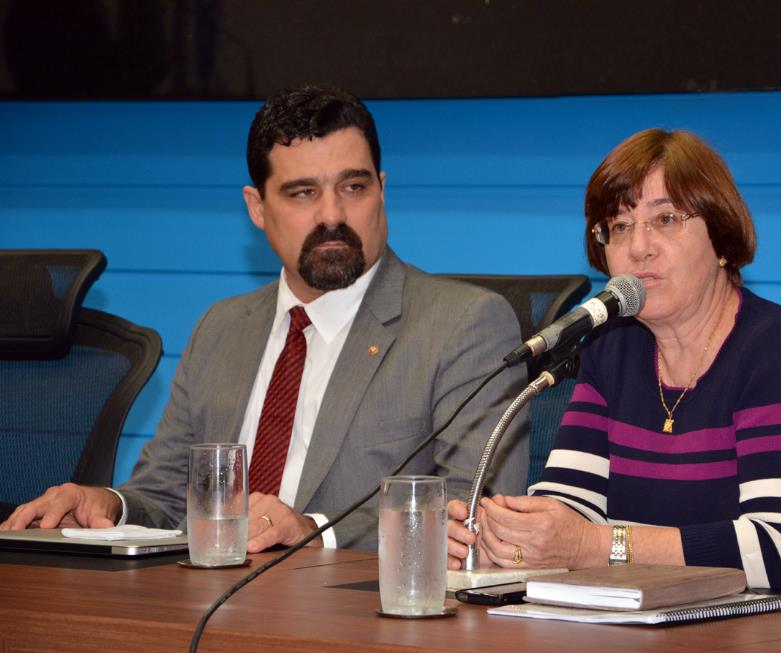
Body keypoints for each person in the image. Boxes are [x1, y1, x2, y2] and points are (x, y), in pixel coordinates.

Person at [2, 85, 528, 551]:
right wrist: (108, 505)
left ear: (382, 189)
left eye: (354, 187)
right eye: (303, 193)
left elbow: (476, 510)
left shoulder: (464, 325)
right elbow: (165, 496)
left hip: (356, 619)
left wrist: (313, 530)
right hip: (208, 608)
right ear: (256, 208)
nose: (332, 215)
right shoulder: (223, 327)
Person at [447, 129, 781, 599]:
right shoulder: (612, 348)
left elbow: (780, 554)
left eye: (665, 219)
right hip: (696, 627)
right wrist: (507, 540)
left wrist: (594, 546)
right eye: (620, 226)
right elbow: (572, 508)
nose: (639, 247)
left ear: (722, 239)